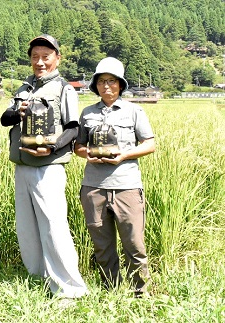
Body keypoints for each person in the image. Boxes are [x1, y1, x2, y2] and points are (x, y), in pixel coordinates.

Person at [0, 34, 88, 299]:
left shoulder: (64, 88)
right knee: (27, 226)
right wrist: (19, 110)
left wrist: (52, 148)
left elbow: (73, 129)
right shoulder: (24, 88)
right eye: (35, 57)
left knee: (53, 225)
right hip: (22, 165)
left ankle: (70, 288)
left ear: (57, 58)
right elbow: (6, 119)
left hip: (49, 167)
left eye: (45, 57)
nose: (40, 62)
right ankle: (39, 278)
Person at [74, 57, 155, 298]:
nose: (106, 86)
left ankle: (142, 293)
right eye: (101, 81)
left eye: (111, 81)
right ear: (95, 85)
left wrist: (124, 155)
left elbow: (149, 144)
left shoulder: (134, 111)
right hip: (93, 187)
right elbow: (78, 145)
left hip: (127, 187)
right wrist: (87, 154)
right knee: (102, 245)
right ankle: (111, 291)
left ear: (120, 84)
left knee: (134, 244)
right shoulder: (87, 113)